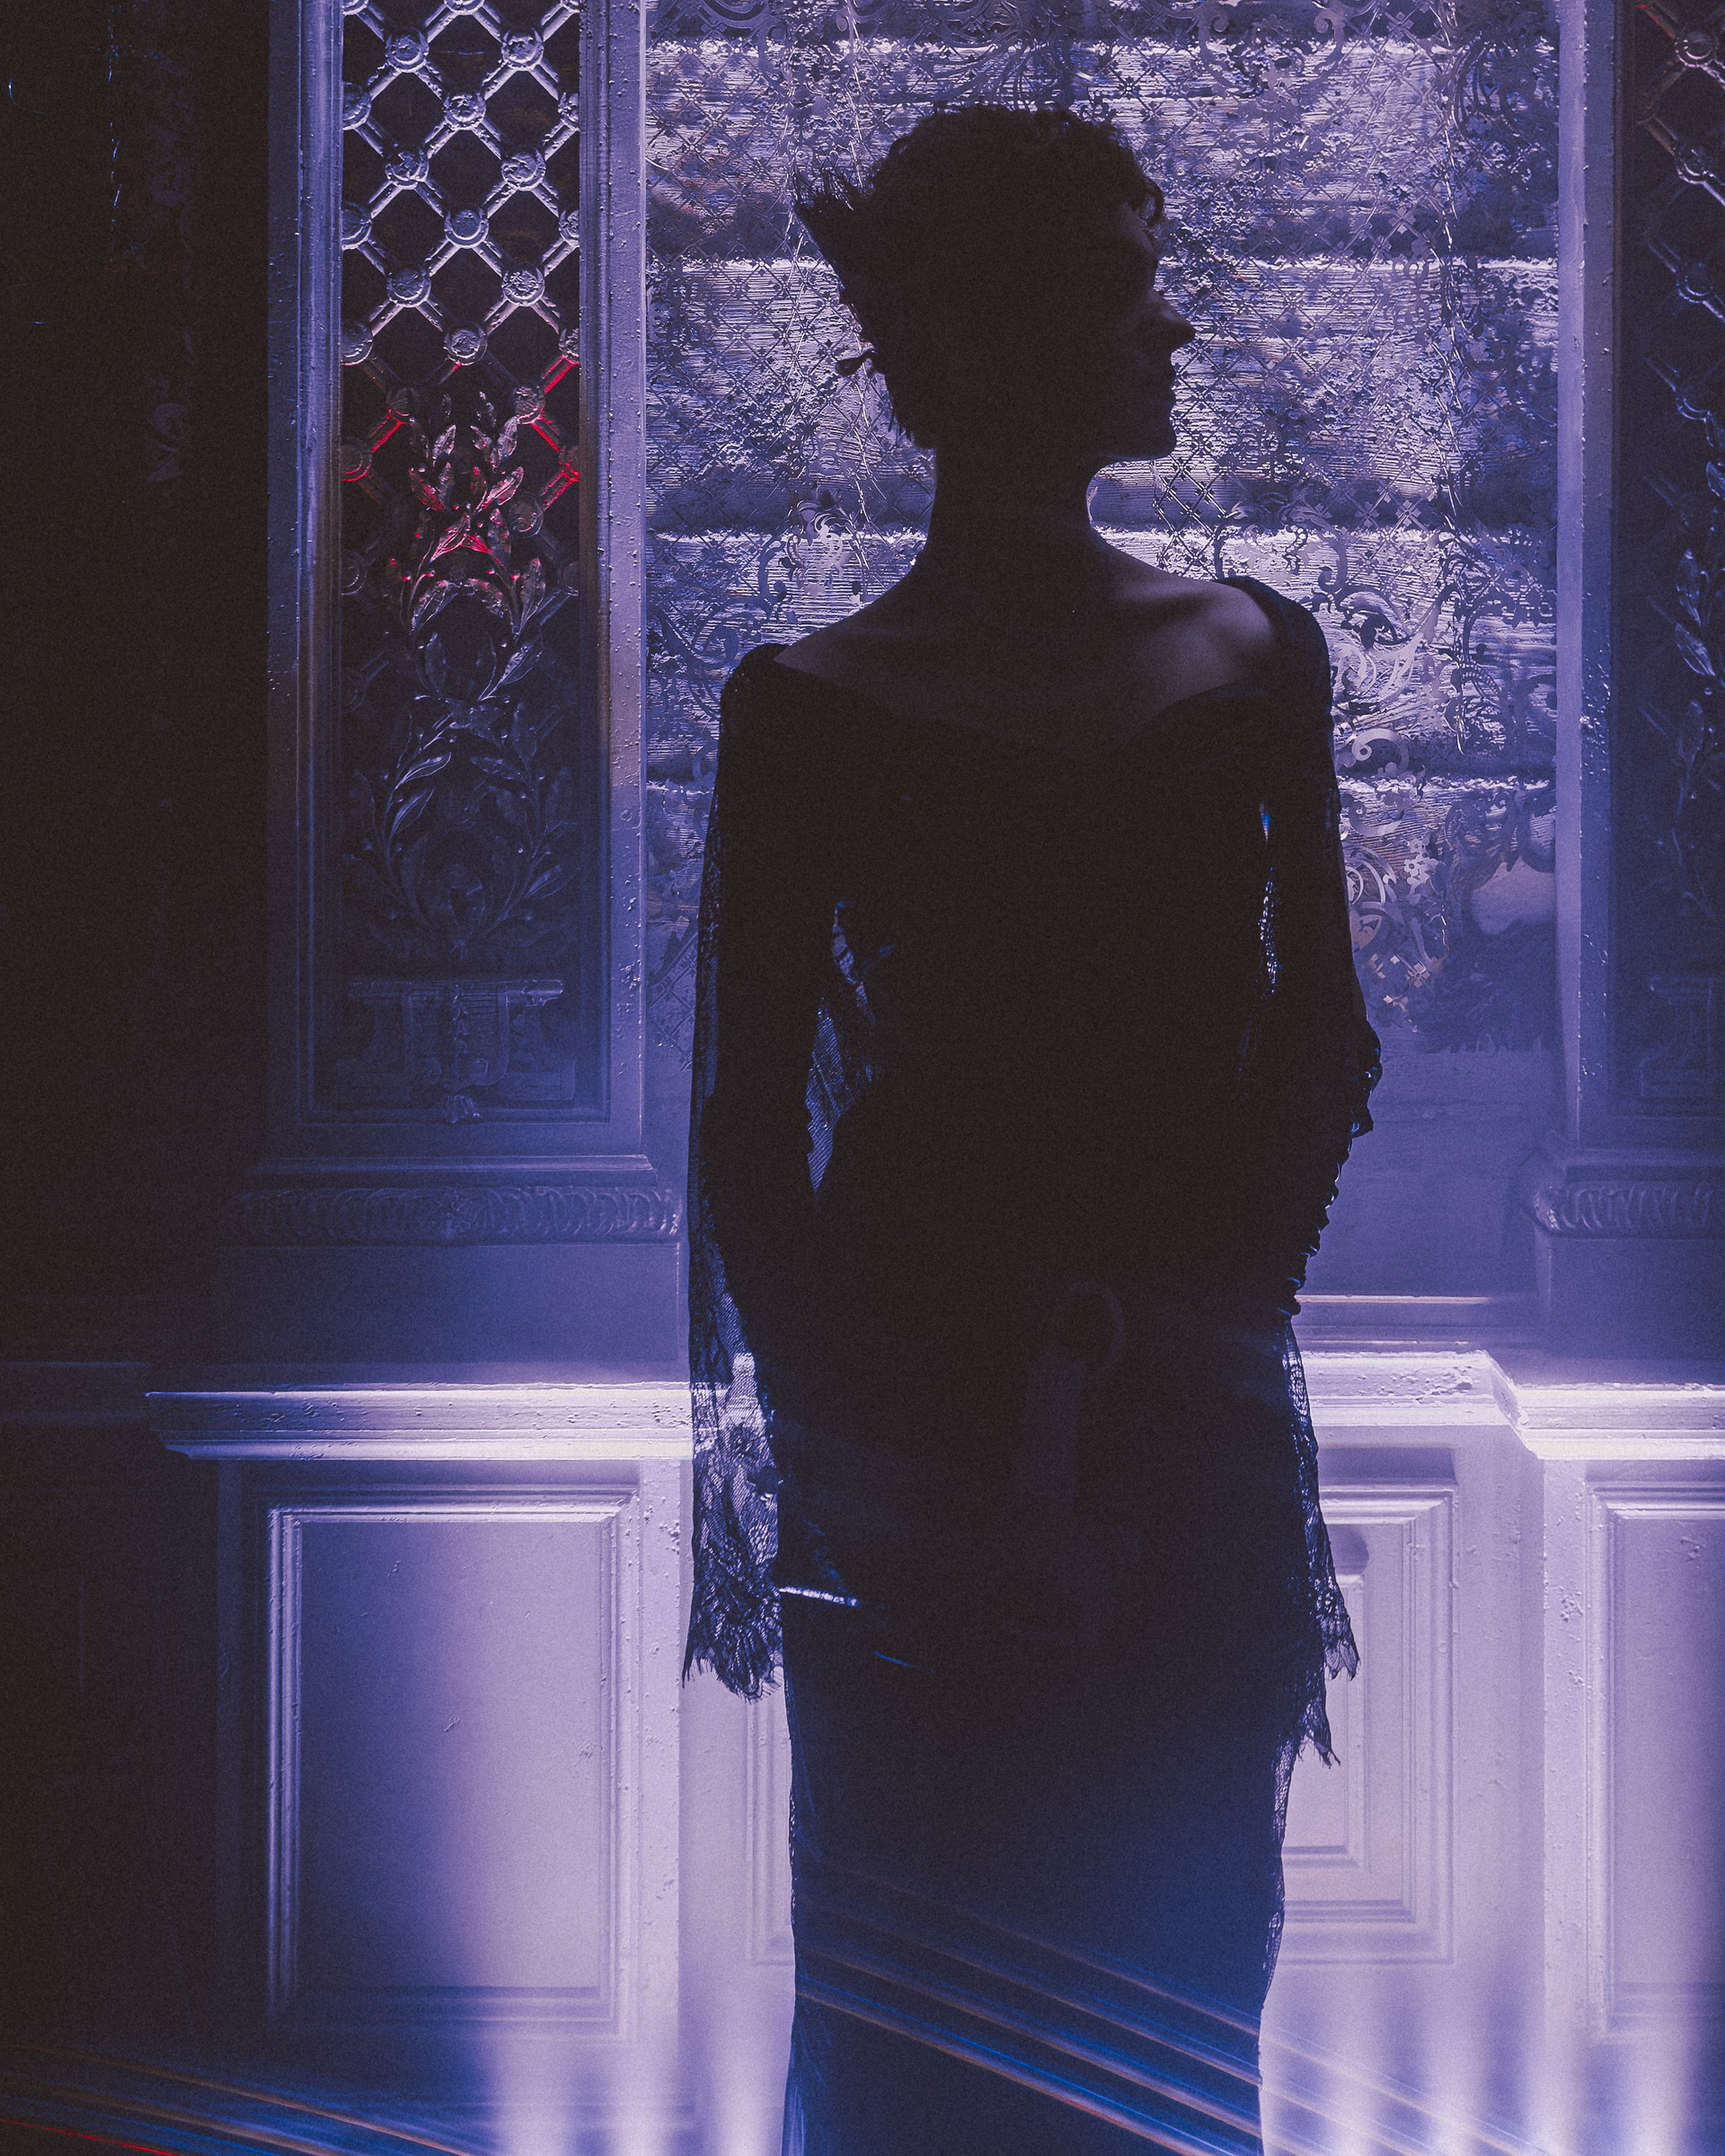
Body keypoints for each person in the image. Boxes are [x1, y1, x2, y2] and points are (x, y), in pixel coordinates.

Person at [684, 105, 1381, 2156]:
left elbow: (1326, 1037)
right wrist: (888, 1471)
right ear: (993, 337)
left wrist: (1184, 1340)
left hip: (1165, 1424)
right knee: (932, 2012)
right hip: (923, 1435)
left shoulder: (1253, 651)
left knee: (1172, 1975)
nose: (1173, 326)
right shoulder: (803, 702)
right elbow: (747, 1141)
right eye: (1120, 282)